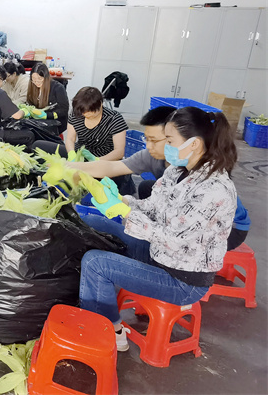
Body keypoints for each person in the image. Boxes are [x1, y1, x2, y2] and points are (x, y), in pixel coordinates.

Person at [78, 107, 238, 352]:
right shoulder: (177, 171)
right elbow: (153, 208)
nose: (166, 146)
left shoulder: (215, 189)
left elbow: (173, 240)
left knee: (95, 263)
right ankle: (93, 299)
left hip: (183, 279)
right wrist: (122, 200)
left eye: (170, 140)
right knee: (95, 224)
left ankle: (111, 333)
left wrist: (127, 213)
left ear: (193, 144)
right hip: (160, 256)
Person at [68, 105, 251, 249]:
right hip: (181, 222)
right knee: (148, 187)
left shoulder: (209, 183)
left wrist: (129, 215)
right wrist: (69, 167)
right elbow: (111, 166)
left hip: (224, 230)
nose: (148, 146)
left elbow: (177, 240)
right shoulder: (170, 165)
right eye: (146, 139)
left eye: (160, 140)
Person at [26, 62, 69, 132]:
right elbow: (30, 103)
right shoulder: (33, 86)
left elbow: (63, 110)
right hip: (38, 121)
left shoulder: (58, 88)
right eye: (34, 79)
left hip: (54, 123)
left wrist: (47, 115)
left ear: (46, 77)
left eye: (40, 79)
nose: (37, 82)